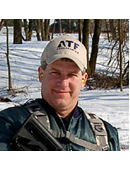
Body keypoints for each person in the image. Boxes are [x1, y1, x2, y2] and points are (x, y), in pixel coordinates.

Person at [0, 35, 120, 151]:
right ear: (41, 74)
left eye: (71, 74)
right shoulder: (10, 124)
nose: (63, 82)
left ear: (83, 80)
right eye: (55, 73)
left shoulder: (107, 136)